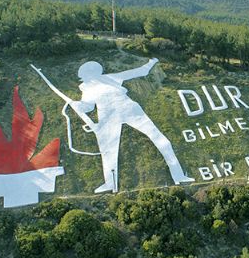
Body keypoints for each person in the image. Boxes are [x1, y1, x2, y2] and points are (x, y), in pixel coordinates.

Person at [70, 58, 194, 193]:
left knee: (160, 140)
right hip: (107, 116)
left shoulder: (111, 78)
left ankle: (179, 175)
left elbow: (141, 71)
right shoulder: (87, 89)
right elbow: (88, 107)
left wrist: (151, 63)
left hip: (129, 108)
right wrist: (79, 106)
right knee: (108, 151)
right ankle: (110, 184)